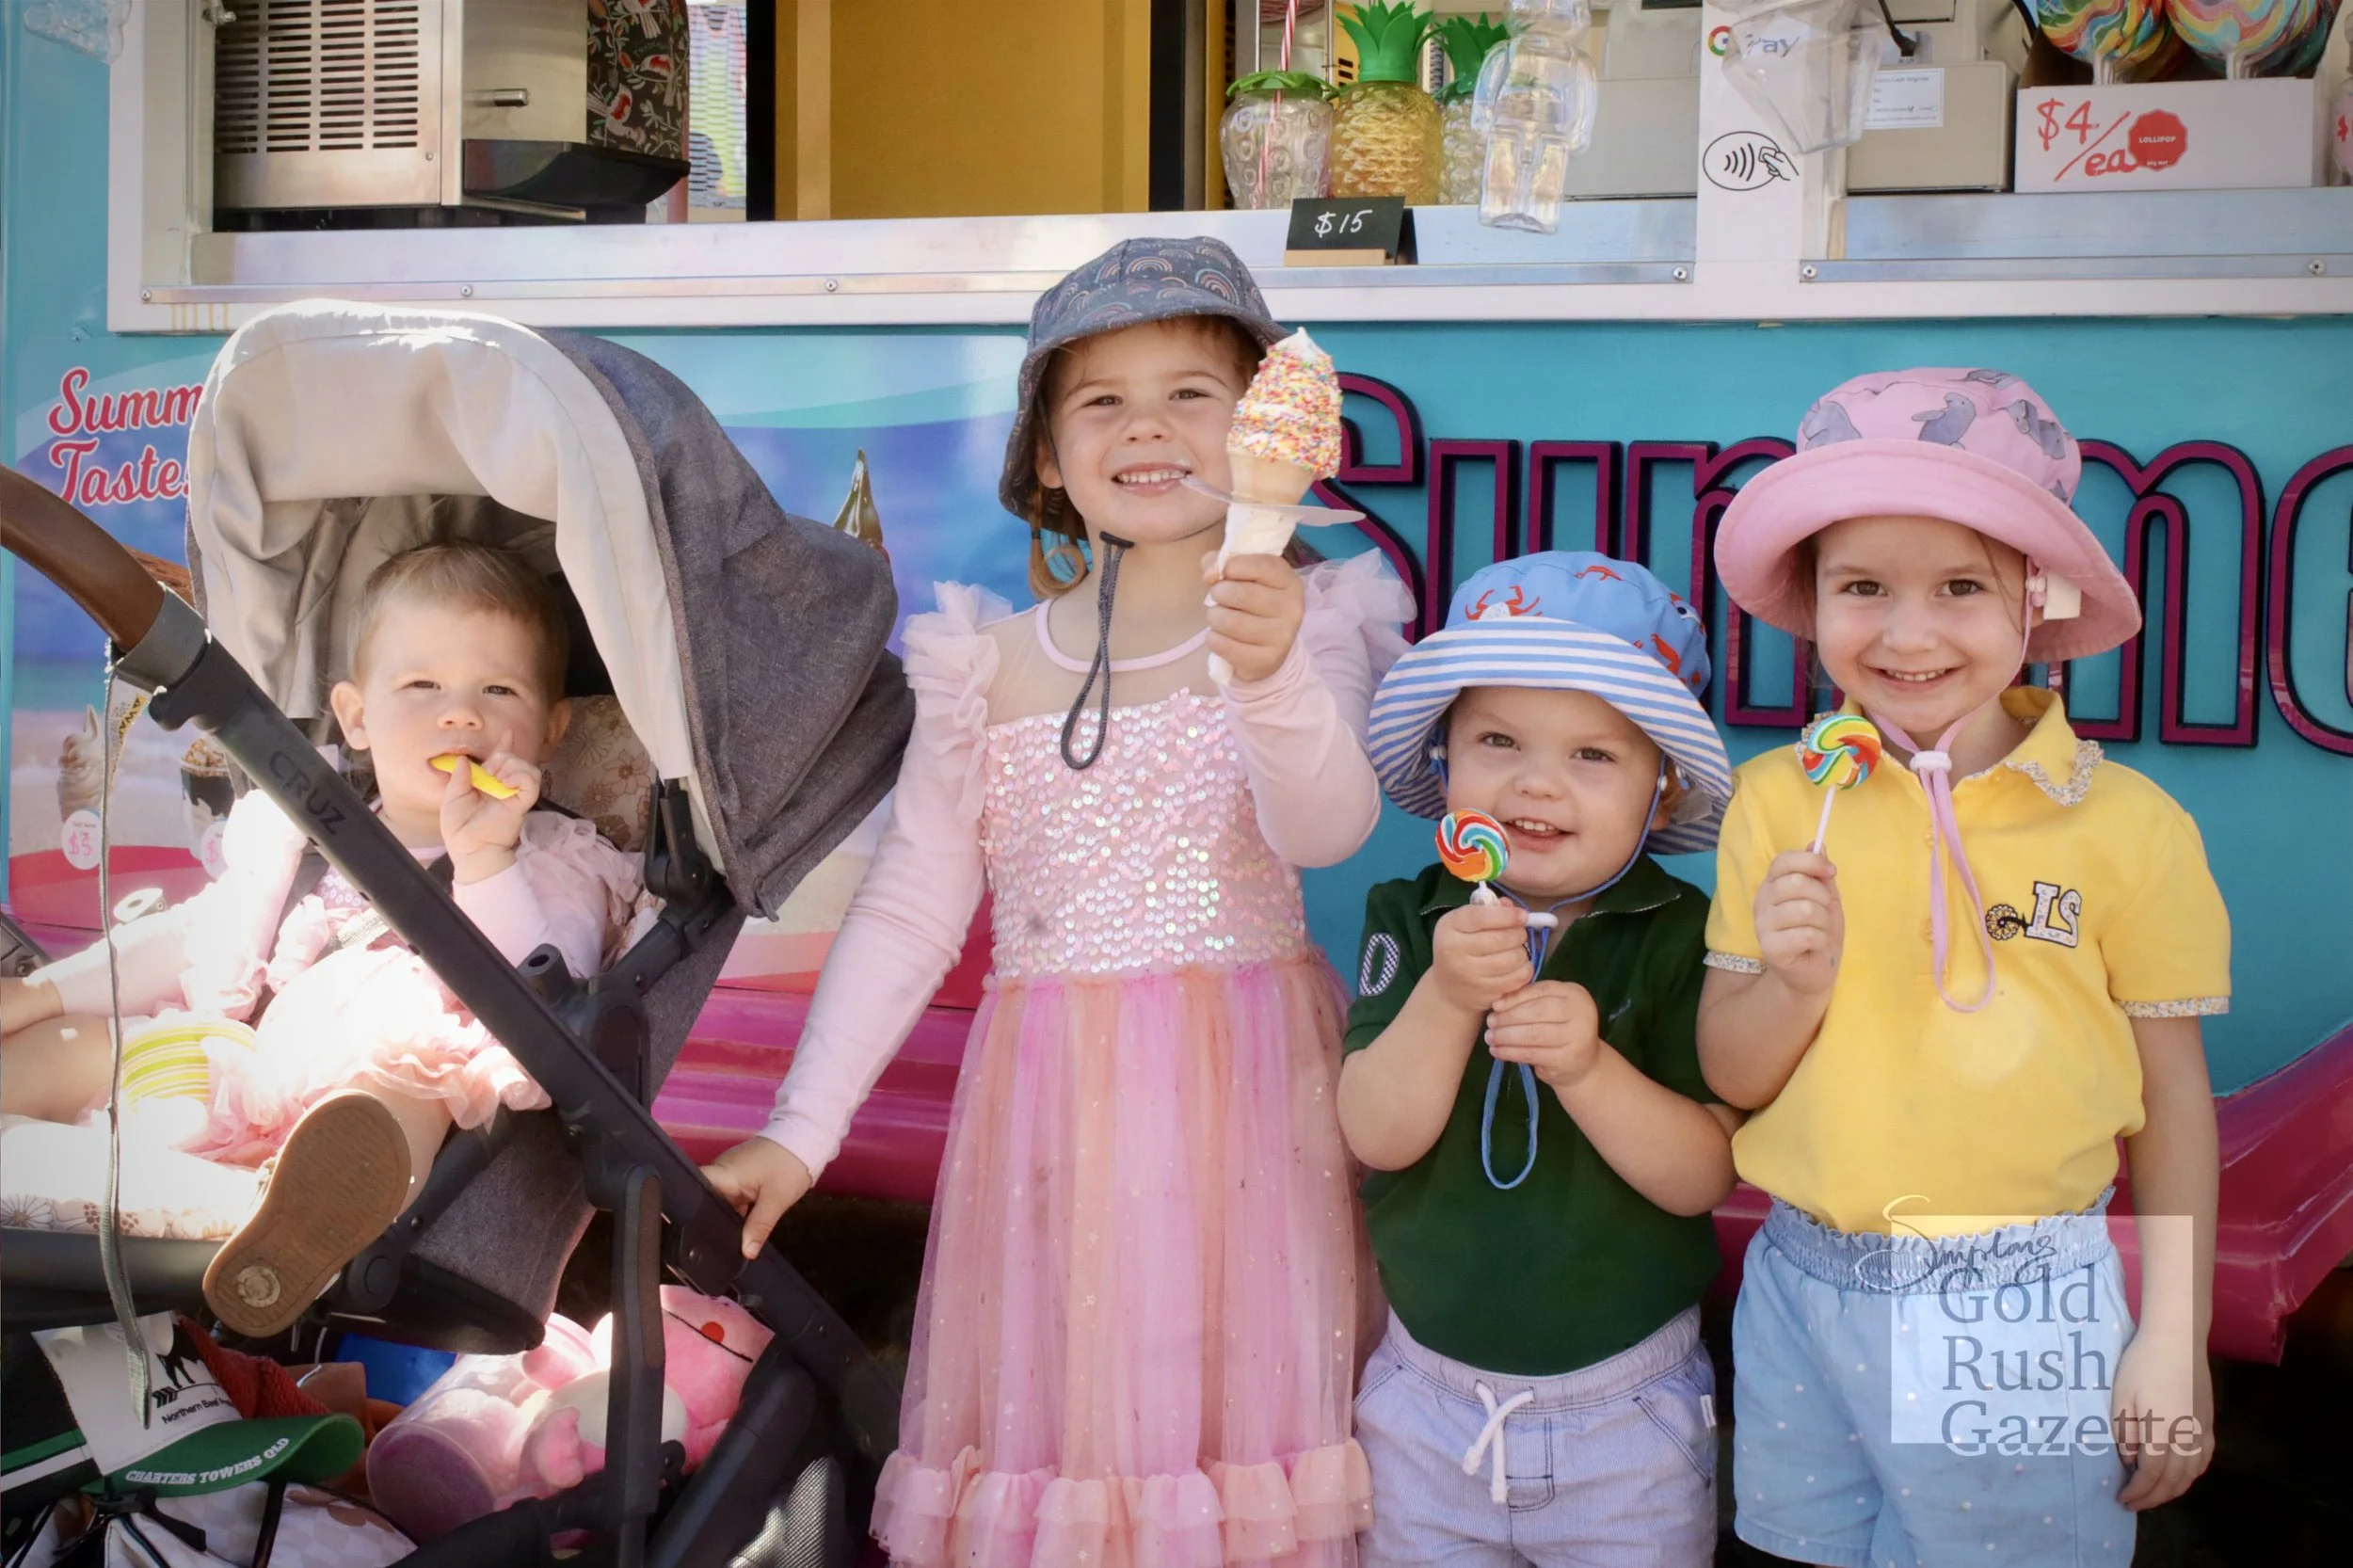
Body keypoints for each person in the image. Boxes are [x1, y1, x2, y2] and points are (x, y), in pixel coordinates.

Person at [700, 236, 1412, 1568]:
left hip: (1248, 1105)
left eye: (1193, 392)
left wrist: (1263, 675)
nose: (1147, 425)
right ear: (1043, 455)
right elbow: (914, 902)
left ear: (1272, 432)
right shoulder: (986, 661)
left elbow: (1330, 827)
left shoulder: (1317, 617)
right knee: (1071, 1427)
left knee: (1234, 1424)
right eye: (1102, 400)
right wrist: (801, 1132)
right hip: (1051, 1107)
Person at [1699, 368, 2228, 1568]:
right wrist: (1787, 983)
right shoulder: (1780, 803)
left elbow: (2174, 1098)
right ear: (1812, 599)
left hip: (2020, 1300)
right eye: (1863, 587)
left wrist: (2173, 1331)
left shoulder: (2125, 824)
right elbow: (1728, 1070)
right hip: (1797, 1283)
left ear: (2033, 599)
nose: (1907, 632)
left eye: (1958, 587)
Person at [0, 541, 650, 1336]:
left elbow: (551, 989)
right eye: (421, 685)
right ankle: (158, 1162)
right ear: (355, 717)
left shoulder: (553, 859)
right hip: (235, 1072)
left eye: (498, 688)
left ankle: (305, 1223)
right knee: (62, 1042)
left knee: (408, 1086)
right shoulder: (299, 833)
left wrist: (486, 859)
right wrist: (35, 995)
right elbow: (193, 939)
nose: (459, 713)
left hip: (368, 1107)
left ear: (551, 730)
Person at [1337, 552, 1738, 1567]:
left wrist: (1591, 1069)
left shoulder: (1682, 933)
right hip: (1421, 1401)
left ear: (1663, 789)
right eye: (1497, 740)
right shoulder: (1411, 913)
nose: (1535, 781)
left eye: (1593, 756)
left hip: (1627, 1412)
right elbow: (1374, 1133)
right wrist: (1445, 994)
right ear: (1443, 760)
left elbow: (1702, 1177)